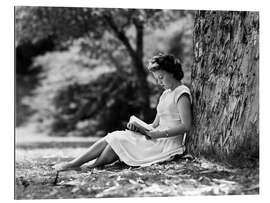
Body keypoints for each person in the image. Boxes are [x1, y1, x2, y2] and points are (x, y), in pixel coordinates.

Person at [53, 53, 192, 171]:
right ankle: (79, 165)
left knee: (117, 141)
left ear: (172, 72)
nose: (159, 82)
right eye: (157, 79)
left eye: (161, 77)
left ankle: (86, 166)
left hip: (167, 144)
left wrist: (159, 134)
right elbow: (155, 124)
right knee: (115, 137)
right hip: (156, 137)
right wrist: (139, 128)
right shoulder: (165, 94)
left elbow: (186, 126)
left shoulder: (181, 93)